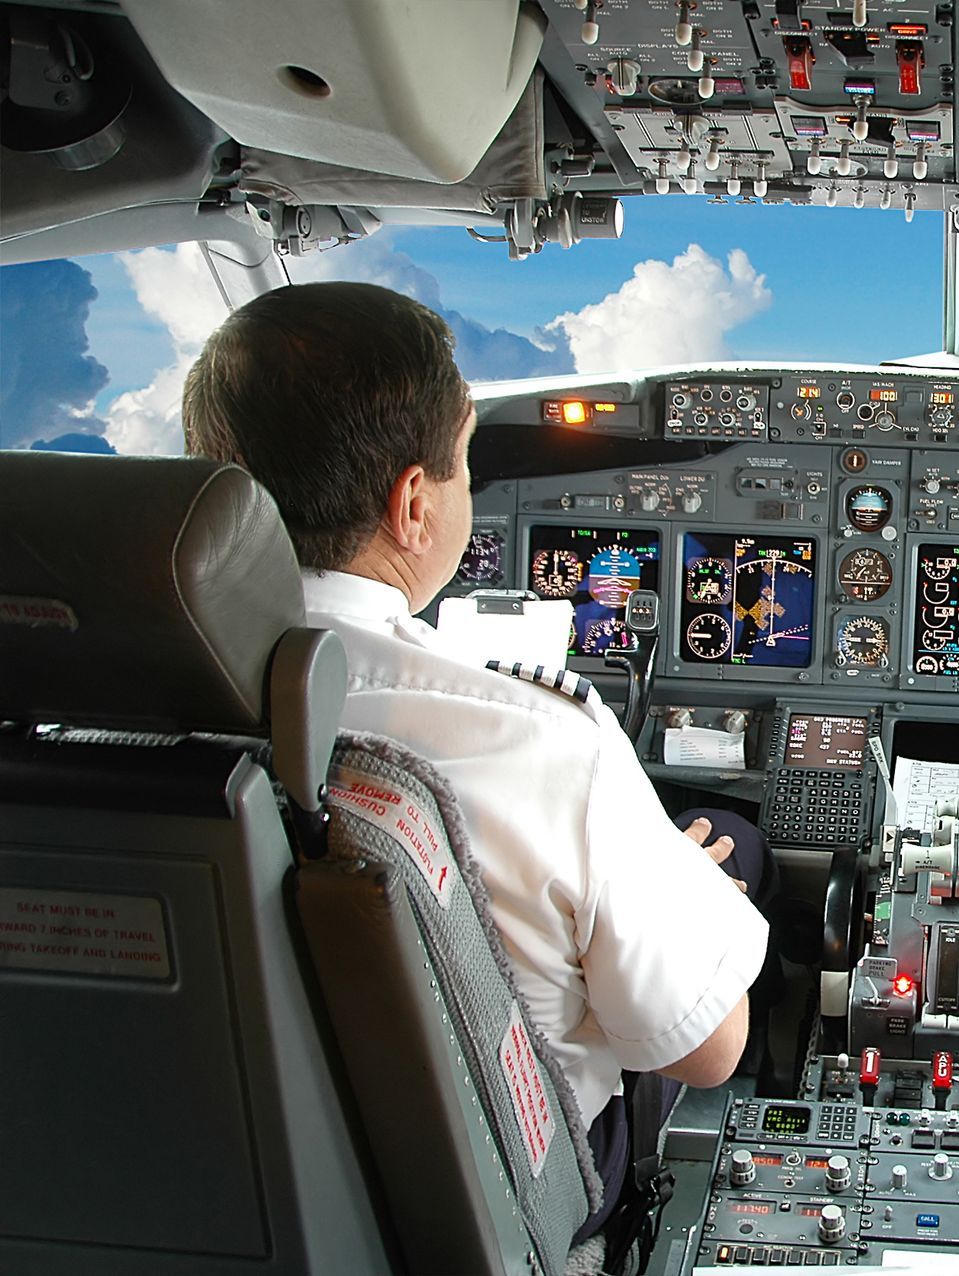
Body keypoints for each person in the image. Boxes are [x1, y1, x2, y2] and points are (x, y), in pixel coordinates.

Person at [181, 281, 769, 1247]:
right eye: (463, 463)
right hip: (499, 1191)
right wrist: (679, 894)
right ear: (413, 504)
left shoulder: (96, 710)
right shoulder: (539, 737)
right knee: (732, 848)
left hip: (210, 1159)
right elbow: (711, 1052)